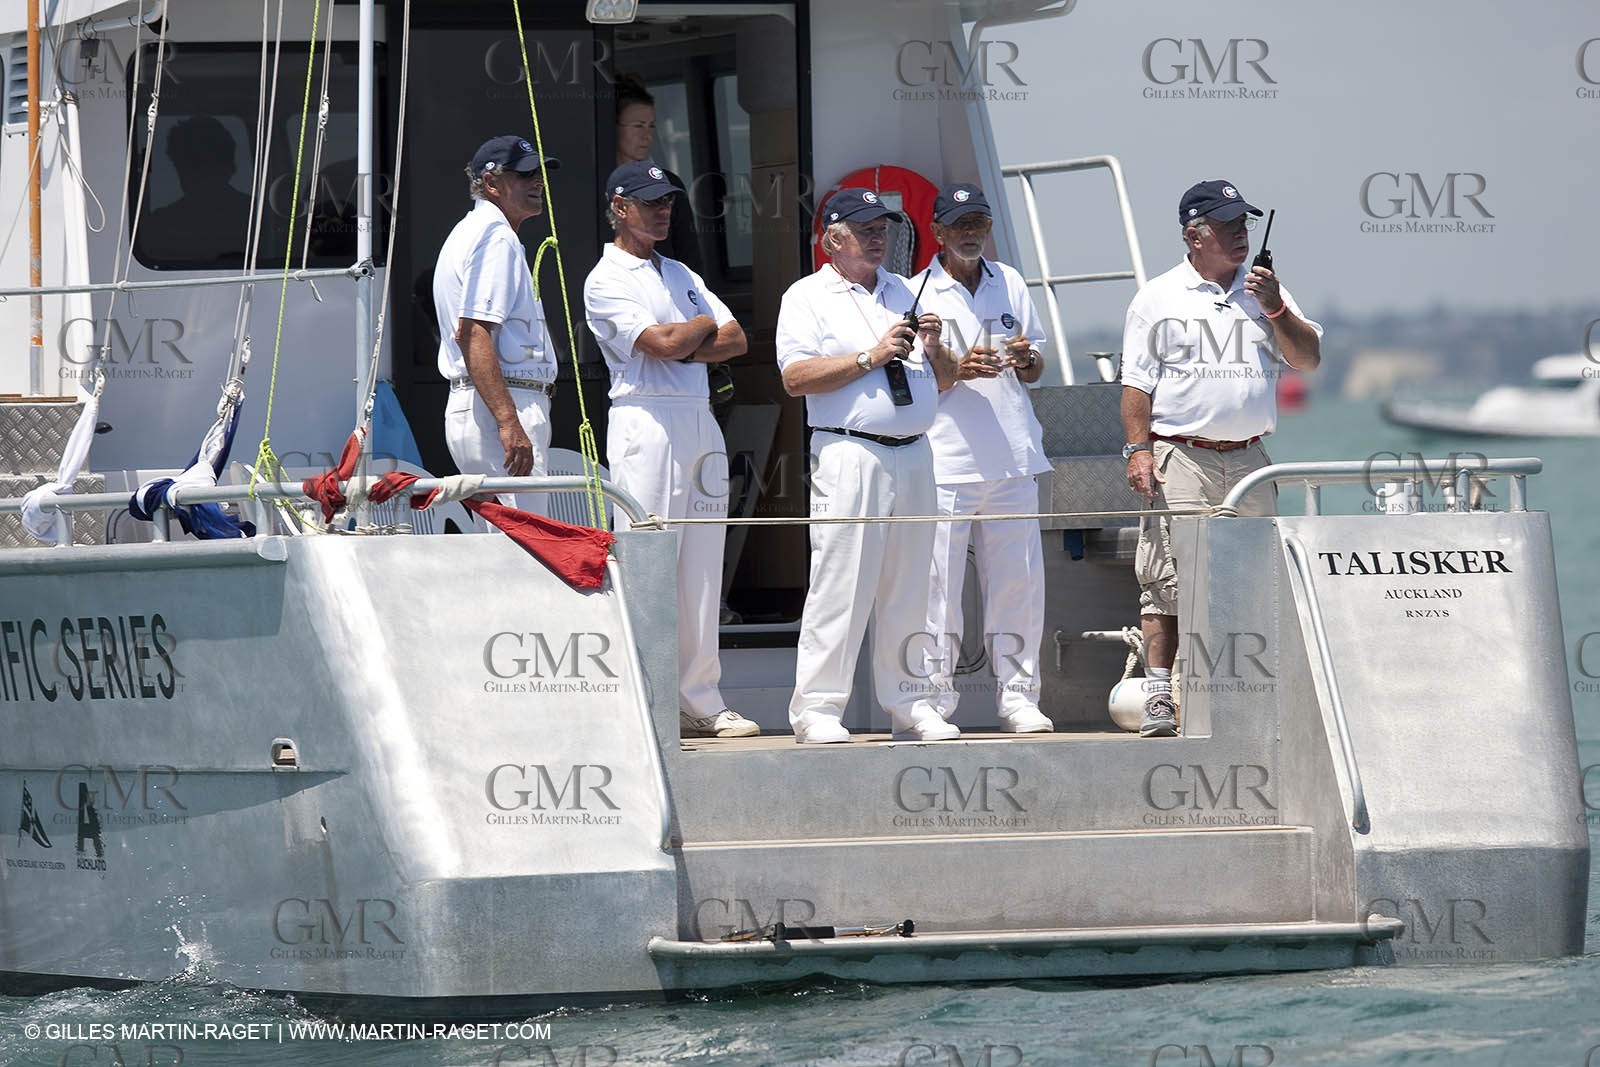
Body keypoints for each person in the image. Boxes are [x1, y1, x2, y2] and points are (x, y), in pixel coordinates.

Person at [1122, 179, 1322, 737]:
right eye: (1229, 225)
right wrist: (1139, 452)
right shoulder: (1156, 297)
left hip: (1252, 459)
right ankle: (1161, 696)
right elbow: (1136, 386)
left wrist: (1276, 307)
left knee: (1258, 574)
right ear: (1194, 234)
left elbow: (1308, 358)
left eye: (1244, 225)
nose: (1241, 234)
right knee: (1167, 577)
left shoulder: (1267, 293)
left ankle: (1252, 694)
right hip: (1180, 456)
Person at [776, 188, 959, 743]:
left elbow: (946, 379)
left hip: (916, 451)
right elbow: (794, 378)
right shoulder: (806, 296)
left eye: (883, 227)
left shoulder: (904, 290)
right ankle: (818, 709)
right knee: (841, 581)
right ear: (834, 238)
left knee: (912, 584)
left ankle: (911, 702)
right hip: (849, 450)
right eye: (865, 228)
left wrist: (934, 346)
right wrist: (871, 356)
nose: (879, 237)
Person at [584, 161, 760, 740]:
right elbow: (659, 343)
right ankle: (644, 696)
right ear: (619, 205)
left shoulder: (681, 270)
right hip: (645, 421)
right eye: (648, 201)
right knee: (648, 560)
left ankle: (700, 698)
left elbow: (737, 341)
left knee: (703, 565)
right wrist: (702, 324)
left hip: (698, 420)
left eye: (668, 201)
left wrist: (690, 335)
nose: (662, 211)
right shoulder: (605, 277)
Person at [908, 183, 1054, 735]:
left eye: (981, 222)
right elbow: (921, 379)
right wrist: (956, 366)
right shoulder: (916, 290)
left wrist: (1026, 356)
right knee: (938, 592)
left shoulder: (1011, 281)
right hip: (946, 461)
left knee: (1018, 586)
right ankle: (934, 705)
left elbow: (1037, 366)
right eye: (961, 223)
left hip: (1015, 456)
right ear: (939, 232)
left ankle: (1020, 700)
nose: (973, 232)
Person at [433, 135, 560, 515]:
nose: (538, 182)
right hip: (499, 408)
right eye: (525, 175)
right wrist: (509, 421)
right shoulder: (496, 237)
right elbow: (473, 333)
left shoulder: (470, 232)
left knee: (504, 551)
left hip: (480, 406)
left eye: (539, 173)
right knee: (526, 552)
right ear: (491, 184)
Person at [614, 75, 702, 274]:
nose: (647, 135)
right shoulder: (597, 188)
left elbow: (689, 257)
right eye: (637, 126)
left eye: (651, 125)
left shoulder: (671, 184)